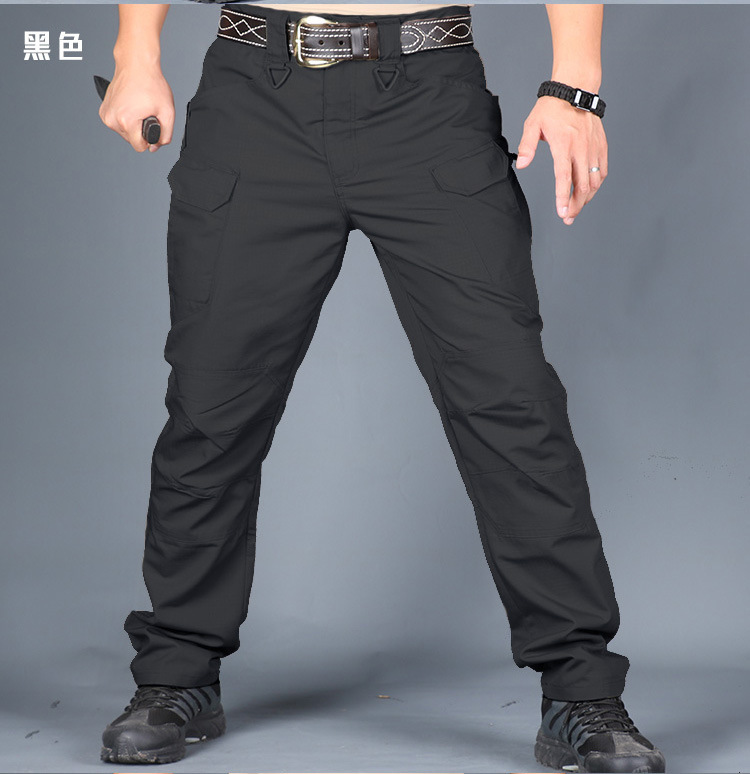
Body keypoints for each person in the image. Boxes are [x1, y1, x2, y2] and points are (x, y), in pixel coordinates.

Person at [97, 3, 665, 771]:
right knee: (212, 404)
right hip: (254, 91)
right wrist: (135, 53)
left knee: (511, 404)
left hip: (428, 96)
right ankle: (175, 676)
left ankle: (581, 692)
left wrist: (575, 88)